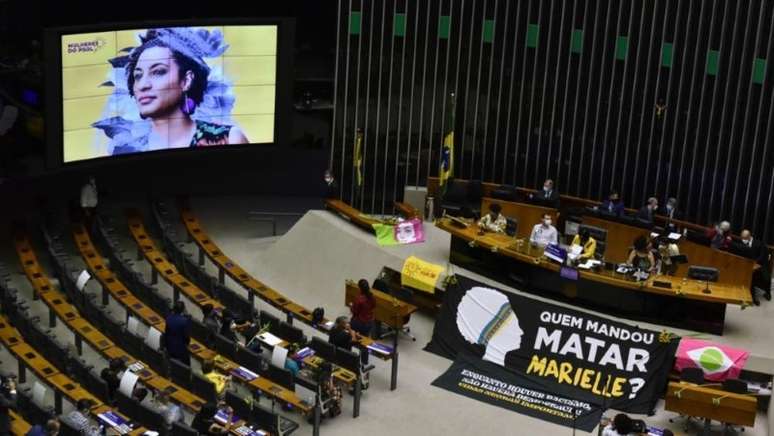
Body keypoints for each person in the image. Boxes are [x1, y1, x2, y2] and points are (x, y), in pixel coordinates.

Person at [101, 28, 248, 154]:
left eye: (158, 72)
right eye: (138, 76)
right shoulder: (126, 149)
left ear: (186, 80)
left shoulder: (229, 139)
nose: (142, 85)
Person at [739, 229, 771, 304]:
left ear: (749, 237)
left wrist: (755, 262)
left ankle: (768, 293)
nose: (743, 240)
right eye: (742, 238)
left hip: (760, 264)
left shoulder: (759, 243)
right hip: (747, 265)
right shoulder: (742, 242)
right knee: (750, 277)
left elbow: (763, 256)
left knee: (765, 276)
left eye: (745, 238)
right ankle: (752, 297)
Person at [163, 301, 191, 366]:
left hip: (169, 347)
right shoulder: (184, 321)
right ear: (183, 309)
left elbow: (166, 332)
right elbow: (187, 338)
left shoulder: (168, 318)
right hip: (181, 350)